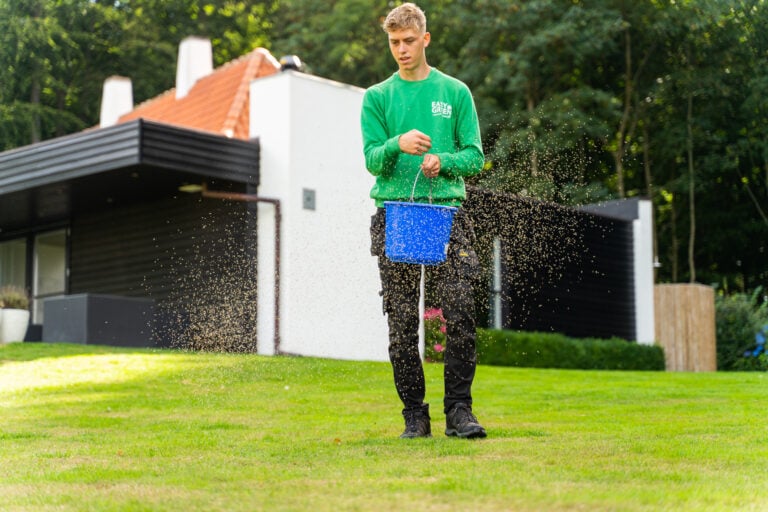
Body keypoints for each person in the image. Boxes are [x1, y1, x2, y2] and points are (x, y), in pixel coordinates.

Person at [360, 2, 486, 439]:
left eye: (409, 41)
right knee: (400, 323)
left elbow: (475, 157)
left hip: (448, 214)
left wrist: (443, 161)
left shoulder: (455, 93)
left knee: (461, 313)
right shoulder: (377, 97)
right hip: (396, 215)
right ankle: (415, 414)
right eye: (394, 42)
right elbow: (372, 160)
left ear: (425, 39)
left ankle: (459, 411)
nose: (401, 50)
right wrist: (398, 142)